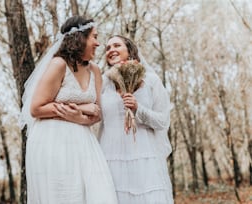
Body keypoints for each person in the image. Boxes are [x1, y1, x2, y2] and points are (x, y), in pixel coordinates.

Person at [21, 16, 117, 204]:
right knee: (64, 194)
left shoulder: (95, 70)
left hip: (84, 139)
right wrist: (80, 108)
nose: (98, 43)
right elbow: (36, 108)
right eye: (94, 37)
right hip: (53, 140)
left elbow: (96, 112)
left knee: (98, 191)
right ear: (80, 38)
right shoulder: (59, 65)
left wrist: (81, 119)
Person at [99, 35, 174, 204]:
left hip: (144, 155)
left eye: (116, 45)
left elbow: (162, 121)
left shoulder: (151, 81)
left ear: (130, 50)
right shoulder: (103, 83)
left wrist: (138, 109)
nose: (111, 50)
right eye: (108, 48)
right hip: (111, 156)